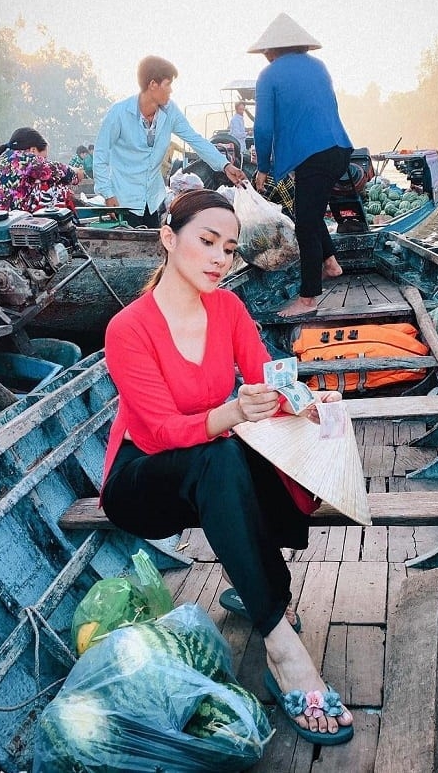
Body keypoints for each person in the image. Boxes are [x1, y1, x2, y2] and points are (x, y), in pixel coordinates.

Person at [100, 189, 354, 745]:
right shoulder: (128, 328)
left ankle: (260, 590)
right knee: (223, 450)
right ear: (169, 239)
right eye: (206, 241)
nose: (219, 258)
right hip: (143, 478)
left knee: (241, 448)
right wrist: (234, 411)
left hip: (211, 462)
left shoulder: (229, 307)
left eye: (230, 249)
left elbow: (266, 379)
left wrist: (309, 403)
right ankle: (282, 646)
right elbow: (163, 430)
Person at [249, 13, 353, 317]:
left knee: (305, 223)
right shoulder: (319, 66)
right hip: (339, 149)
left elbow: (264, 127)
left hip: (314, 156)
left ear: (270, 51)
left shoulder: (268, 76)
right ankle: (330, 263)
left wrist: (264, 167)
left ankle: (308, 300)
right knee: (307, 209)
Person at [93, 56, 246, 228]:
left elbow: (195, 139)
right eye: (168, 84)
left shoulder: (170, 111)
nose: (171, 90)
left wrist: (225, 165)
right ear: (152, 84)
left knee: (152, 248)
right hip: (123, 202)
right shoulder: (119, 113)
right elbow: (100, 155)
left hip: (152, 200)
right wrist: (108, 194)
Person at [0, 127, 84, 216]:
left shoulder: (2, 158)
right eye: (44, 157)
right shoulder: (29, 160)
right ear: (33, 150)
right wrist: (78, 171)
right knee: (57, 187)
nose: (44, 161)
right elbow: (73, 176)